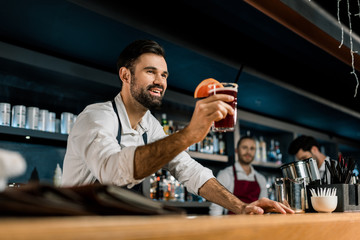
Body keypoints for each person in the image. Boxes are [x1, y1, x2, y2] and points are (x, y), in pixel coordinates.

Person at [62, 39, 293, 215]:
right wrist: (189, 134)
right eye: (150, 71)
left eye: (164, 75)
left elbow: (189, 170)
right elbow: (111, 172)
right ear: (125, 75)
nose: (160, 81)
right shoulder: (96, 117)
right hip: (79, 228)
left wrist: (241, 207)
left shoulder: (149, 125)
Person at [209, 136, 268, 215]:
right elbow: (216, 208)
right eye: (244, 147)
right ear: (236, 150)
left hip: (255, 225)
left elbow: (264, 208)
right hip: (232, 224)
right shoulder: (225, 174)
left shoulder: (261, 179)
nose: (248, 152)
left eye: (252, 148)